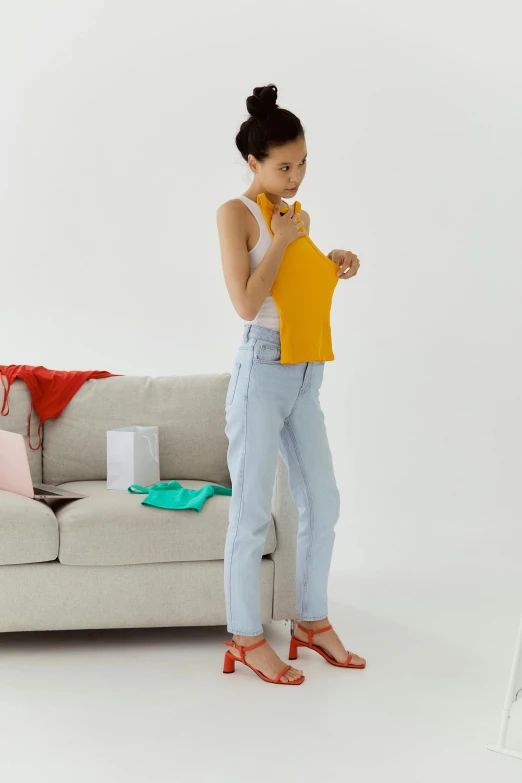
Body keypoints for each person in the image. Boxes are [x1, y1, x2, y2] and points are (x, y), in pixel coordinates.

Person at [216, 83, 364, 685]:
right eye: (283, 166)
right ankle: (246, 638)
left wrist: (333, 260)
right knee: (250, 512)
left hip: (307, 370)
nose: (296, 175)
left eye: (303, 163)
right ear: (254, 163)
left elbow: (295, 287)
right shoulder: (238, 214)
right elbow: (248, 304)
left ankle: (310, 621)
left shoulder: (296, 216)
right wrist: (282, 239)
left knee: (322, 501)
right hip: (263, 369)